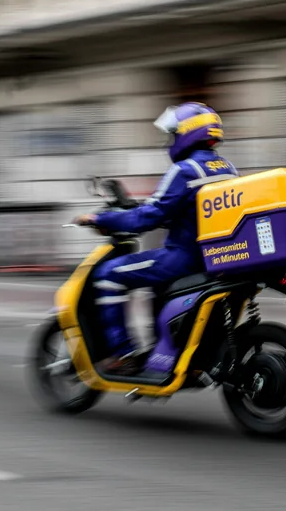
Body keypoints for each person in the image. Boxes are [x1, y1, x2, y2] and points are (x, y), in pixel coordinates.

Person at [73, 102, 238, 377]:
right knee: (154, 286)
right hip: (214, 257)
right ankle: (161, 349)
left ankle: (122, 355)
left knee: (108, 274)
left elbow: (148, 216)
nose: (170, 140)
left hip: (183, 257)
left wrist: (100, 219)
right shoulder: (227, 168)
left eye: (173, 134)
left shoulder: (185, 170)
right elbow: (194, 211)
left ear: (187, 134)